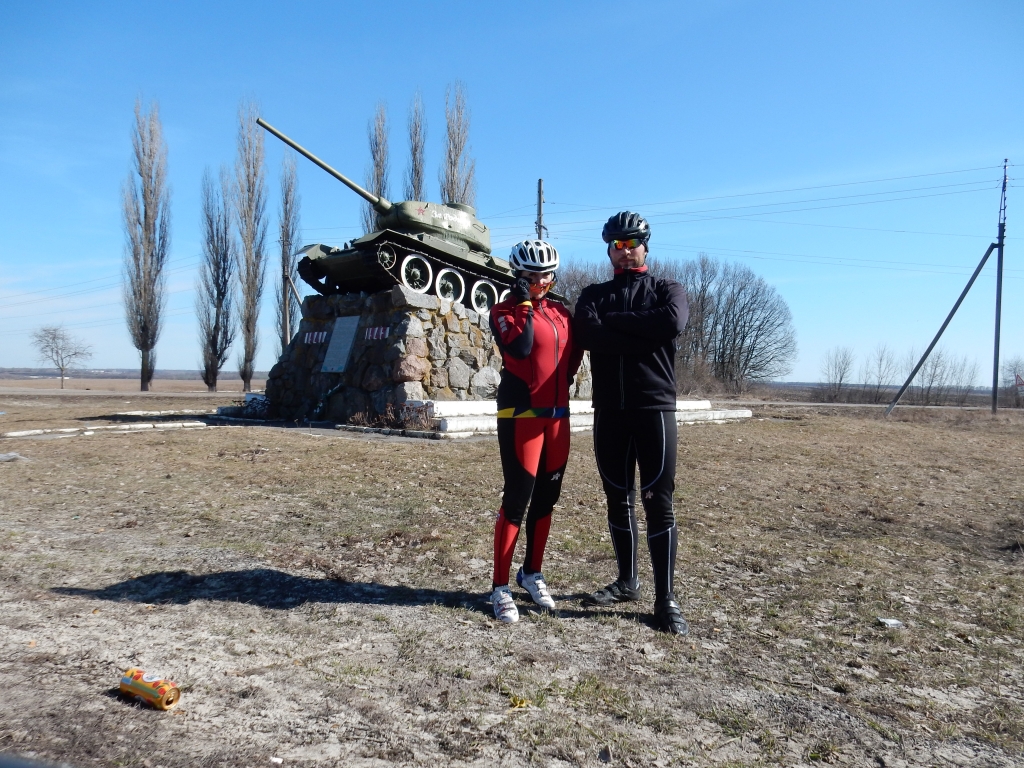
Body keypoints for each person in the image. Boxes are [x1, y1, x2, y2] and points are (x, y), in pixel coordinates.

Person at [572, 212, 691, 635]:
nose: (625, 252)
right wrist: (644, 331)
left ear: (645, 246)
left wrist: (614, 324)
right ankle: (627, 582)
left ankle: (666, 599)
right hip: (609, 411)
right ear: (608, 250)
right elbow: (588, 335)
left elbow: (672, 321)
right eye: (617, 246)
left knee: (658, 502)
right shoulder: (593, 294)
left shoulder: (668, 289)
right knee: (617, 498)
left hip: (654, 408)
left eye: (632, 244)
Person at [487, 240, 584, 624]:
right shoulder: (503, 311)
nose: (540, 282)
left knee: (547, 499)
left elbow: (573, 356)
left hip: (557, 416)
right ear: (518, 276)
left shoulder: (561, 312)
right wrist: (524, 302)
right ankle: (499, 588)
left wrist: (563, 384)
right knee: (517, 499)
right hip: (521, 414)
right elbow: (522, 347)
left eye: (546, 275)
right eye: (531, 276)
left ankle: (531, 572)